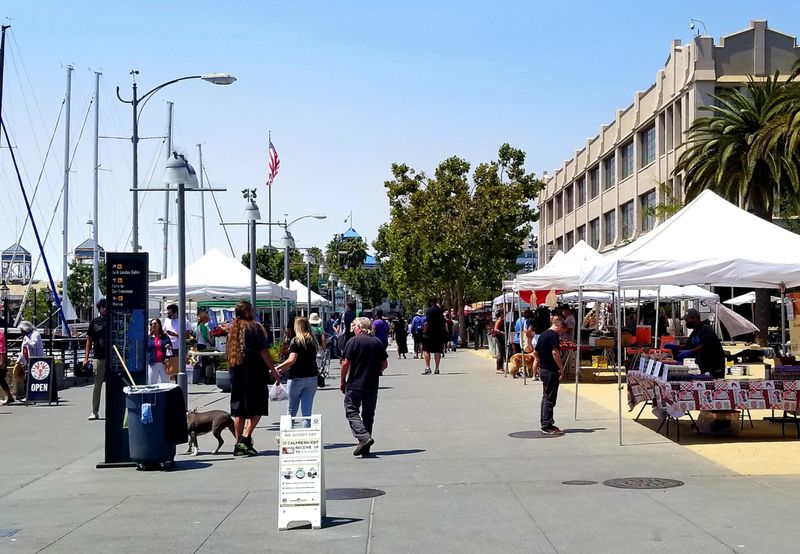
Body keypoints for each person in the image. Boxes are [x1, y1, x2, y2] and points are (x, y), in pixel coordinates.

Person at [226, 301, 281, 456]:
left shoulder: (233, 330)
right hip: (255, 373)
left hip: (236, 374)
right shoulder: (255, 327)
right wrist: (274, 371)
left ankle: (239, 444)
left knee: (239, 411)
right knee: (258, 407)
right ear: (248, 311)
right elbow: (264, 352)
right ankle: (245, 438)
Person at [340, 317, 388, 457]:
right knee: (368, 415)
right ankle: (365, 446)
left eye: (354, 326)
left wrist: (343, 380)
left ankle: (363, 436)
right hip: (372, 384)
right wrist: (375, 371)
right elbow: (384, 364)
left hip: (355, 383)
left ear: (360, 327)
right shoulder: (377, 342)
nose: (353, 329)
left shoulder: (353, 341)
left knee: (351, 411)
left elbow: (345, 363)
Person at [275, 317, 320, 426]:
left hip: (297, 378)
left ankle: (289, 436)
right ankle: (307, 437)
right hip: (312, 378)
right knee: (307, 412)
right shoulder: (312, 340)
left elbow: (292, 360)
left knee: (291, 410)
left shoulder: (296, 341)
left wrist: (276, 368)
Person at [534, 315, 567, 435]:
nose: (561, 334)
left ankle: (545, 421)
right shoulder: (553, 335)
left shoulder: (543, 335)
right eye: (562, 331)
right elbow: (555, 352)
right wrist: (561, 368)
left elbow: (535, 352)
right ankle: (547, 424)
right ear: (559, 326)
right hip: (550, 370)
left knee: (546, 396)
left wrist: (540, 363)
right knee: (550, 398)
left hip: (544, 369)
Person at [673, 308, 726, 378]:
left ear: (695, 318)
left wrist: (691, 352)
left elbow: (706, 345)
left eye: (687, 320)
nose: (686, 322)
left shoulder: (706, 329)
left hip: (715, 367)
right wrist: (675, 347)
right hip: (704, 367)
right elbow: (688, 346)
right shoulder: (695, 331)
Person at [82, 299, 107, 420]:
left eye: (106, 307)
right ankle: (94, 411)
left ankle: (114, 410)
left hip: (112, 357)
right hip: (98, 357)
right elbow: (89, 340)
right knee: (97, 386)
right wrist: (86, 358)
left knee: (114, 385)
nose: (105, 309)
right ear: (99, 308)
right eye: (103, 307)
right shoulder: (94, 322)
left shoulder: (112, 320)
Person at [422, 297, 446, 375]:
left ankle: (428, 368)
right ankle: (437, 368)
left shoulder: (429, 311)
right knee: (437, 351)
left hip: (429, 334)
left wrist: (424, 331)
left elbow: (426, 323)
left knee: (426, 350)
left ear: (430, 302)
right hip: (439, 334)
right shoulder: (440, 311)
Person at [146, 318, 172, 384]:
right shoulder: (149, 338)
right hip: (152, 363)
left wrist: (169, 348)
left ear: (159, 325)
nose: (153, 325)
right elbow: (146, 350)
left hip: (164, 363)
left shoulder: (165, 337)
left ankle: (165, 394)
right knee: (152, 383)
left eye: (155, 324)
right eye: (151, 324)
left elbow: (171, 350)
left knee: (166, 383)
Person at [0, 324, 13, 405]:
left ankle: (9, 396)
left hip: (0, 359)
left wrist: (1, 361)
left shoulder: (0, 334)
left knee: (1, 379)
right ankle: (10, 396)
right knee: (1, 379)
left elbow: (1, 349)